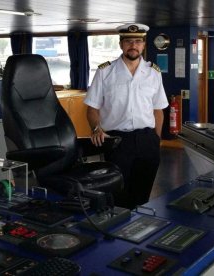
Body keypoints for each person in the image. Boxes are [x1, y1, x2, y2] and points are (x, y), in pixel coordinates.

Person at [84, 23, 169, 210]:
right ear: (121, 44)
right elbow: (92, 108)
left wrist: (157, 139)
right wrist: (96, 128)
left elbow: (158, 110)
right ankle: (117, 233)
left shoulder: (153, 73)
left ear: (143, 45)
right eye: (129, 41)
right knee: (118, 194)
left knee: (143, 193)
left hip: (147, 140)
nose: (133, 45)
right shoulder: (105, 72)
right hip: (117, 141)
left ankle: (138, 230)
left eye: (138, 41)